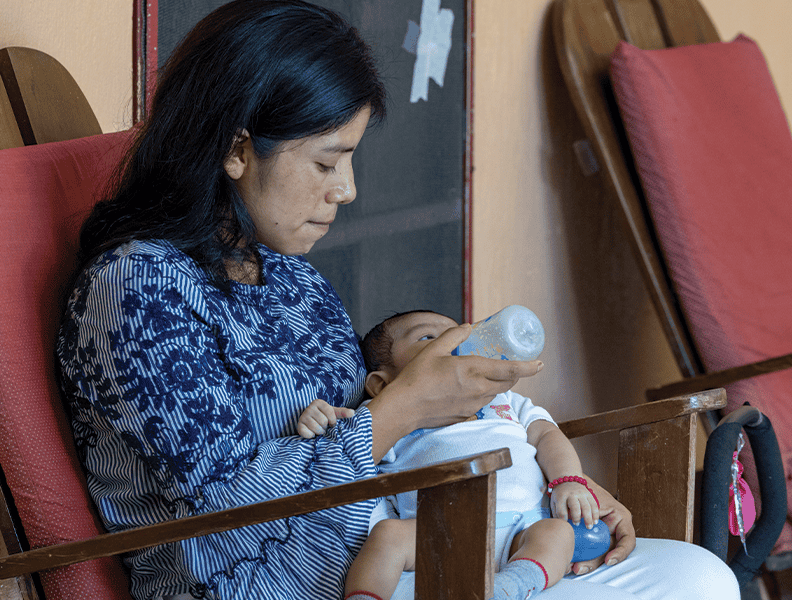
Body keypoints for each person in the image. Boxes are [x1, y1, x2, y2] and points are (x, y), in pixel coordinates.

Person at [55, 1, 739, 599]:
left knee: (699, 577)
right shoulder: (141, 289)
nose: (346, 190)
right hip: (283, 585)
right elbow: (225, 500)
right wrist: (408, 403)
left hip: (410, 551)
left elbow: (378, 445)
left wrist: (554, 492)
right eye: (326, 162)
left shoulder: (291, 278)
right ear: (237, 149)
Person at [298, 310, 605, 600]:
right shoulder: (385, 414)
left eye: (457, 334)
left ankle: (511, 586)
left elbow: (548, 436)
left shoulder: (506, 401)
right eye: (429, 338)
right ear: (382, 384)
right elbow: (347, 448)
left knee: (558, 533)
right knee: (388, 536)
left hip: (524, 528)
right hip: (438, 532)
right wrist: (320, 418)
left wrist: (568, 480)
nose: (454, 343)